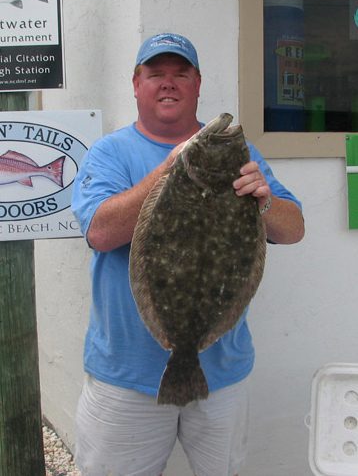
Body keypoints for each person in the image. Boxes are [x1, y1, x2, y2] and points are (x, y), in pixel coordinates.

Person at [71, 32, 305, 476]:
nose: (168, 83)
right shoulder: (110, 153)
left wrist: (265, 201)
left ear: (198, 84)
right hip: (125, 376)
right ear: (136, 84)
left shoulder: (245, 158)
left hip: (222, 375)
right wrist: (169, 169)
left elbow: (293, 230)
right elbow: (100, 232)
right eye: (156, 74)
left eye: (181, 74)